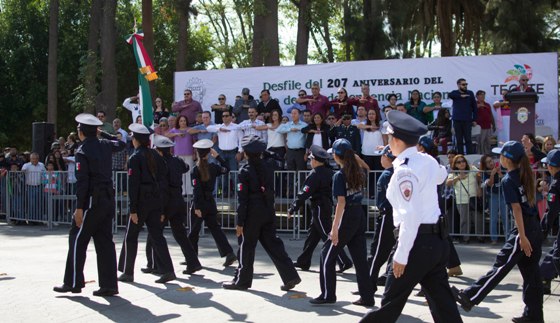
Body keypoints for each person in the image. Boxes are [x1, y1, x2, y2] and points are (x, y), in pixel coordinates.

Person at [361, 110, 462, 322]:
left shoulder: (403, 172)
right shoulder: (426, 161)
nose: (387, 141)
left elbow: (410, 217)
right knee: (444, 306)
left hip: (416, 244)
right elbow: (441, 176)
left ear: (396, 140)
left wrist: (401, 255)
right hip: (437, 243)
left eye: (389, 137)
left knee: (389, 305)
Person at [452, 141, 543, 323]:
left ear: (506, 159)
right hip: (532, 227)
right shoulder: (524, 175)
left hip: (523, 231)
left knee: (501, 266)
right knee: (532, 275)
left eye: (500, 155)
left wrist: (522, 237)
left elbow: (517, 209)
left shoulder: (509, 179)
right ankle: (534, 315)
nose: (498, 158)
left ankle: (470, 296)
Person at [53, 113, 126, 297]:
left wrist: (78, 208)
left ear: (81, 132)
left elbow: (82, 182)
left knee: (77, 239)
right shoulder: (104, 144)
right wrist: (105, 134)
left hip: (91, 201)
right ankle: (109, 285)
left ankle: (73, 282)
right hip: (107, 199)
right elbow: (123, 144)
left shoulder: (82, 150)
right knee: (104, 242)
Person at [223, 135, 301, 291]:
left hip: (252, 212)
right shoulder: (268, 166)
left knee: (246, 247)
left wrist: (240, 221)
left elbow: (243, 199)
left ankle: (242, 281)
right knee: (273, 244)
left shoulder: (245, 170)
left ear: (245, 153)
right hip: (267, 209)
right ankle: (290, 275)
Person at [309, 138, 373, 306]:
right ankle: (367, 297)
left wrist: (335, 228)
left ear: (337, 157)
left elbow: (341, 203)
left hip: (347, 216)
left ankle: (328, 294)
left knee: (326, 255)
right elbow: (367, 167)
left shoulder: (340, 175)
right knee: (360, 260)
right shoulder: (358, 170)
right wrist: (355, 157)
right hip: (359, 214)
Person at [118, 123, 176, 284]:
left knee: (131, 237)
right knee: (157, 236)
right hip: (156, 199)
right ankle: (168, 270)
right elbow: (164, 174)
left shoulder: (135, 157)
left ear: (135, 140)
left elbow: (133, 185)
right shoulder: (155, 155)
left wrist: (133, 208)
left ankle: (128, 272)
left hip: (142, 201)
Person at [142, 135, 202, 275]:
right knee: (180, 234)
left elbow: (162, 188)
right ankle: (193, 262)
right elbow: (185, 167)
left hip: (166, 201)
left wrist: (162, 210)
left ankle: (153, 264)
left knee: (154, 234)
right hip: (178, 200)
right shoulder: (176, 160)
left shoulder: (160, 164)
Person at [289, 145, 353, 272]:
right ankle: (304, 261)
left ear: (316, 160)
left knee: (328, 236)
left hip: (319, 207)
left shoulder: (315, 174)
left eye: (311, 159)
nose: (310, 162)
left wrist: (293, 207)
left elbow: (304, 192)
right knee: (312, 237)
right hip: (325, 205)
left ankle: (344, 261)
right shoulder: (329, 172)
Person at [189, 139, 237, 267]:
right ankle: (229, 253)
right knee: (216, 230)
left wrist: (197, 207)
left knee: (193, 232)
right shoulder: (214, 167)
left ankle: (192, 258)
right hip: (210, 202)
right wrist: (218, 157)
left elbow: (197, 189)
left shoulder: (195, 170)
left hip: (200, 203)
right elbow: (226, 168)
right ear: (209, 153)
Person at [366, 145, 397, 300]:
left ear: (387, 157)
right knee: (394, 252)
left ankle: (367, 287)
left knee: (376, 253)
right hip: (397, 216)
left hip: (387, 215)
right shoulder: (398, 172)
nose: (380, 159)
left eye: (382, 156)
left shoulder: (387, 175)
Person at [446, 154, 482, 243]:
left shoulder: (472, 168)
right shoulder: (453, 173)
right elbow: (448, 183)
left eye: (463, 161)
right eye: (459, 162)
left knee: (477, 218)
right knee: (464, 220)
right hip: (461, 199)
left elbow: (479, 175)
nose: (462, 163)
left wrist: (479, 186)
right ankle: (466, 238)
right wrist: (458, 177)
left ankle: (480, 237)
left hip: (473, 197)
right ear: (456, 164)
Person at [539, 148, 560, 295]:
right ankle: (544, 277)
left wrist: (542, 233)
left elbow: (551, 212)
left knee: (557, 255)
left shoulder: (556, 184)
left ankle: (544, 277)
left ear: (551, 167)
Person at [479, 154, 509, 244]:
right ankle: (494, 238)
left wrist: (499, 173)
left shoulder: (502, 168)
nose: (491, 163)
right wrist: (492, 174)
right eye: (488, 162)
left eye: (491, 160)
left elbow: (506, 181)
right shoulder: (485, 173)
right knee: (493, 218)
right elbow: (490, 184)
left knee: (505, 217)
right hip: (493, 196)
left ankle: (508, 237)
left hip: (503, 195)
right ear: (485, 165)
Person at [167, 115, 195, 195]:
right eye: (181, 121)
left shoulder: (189, 130)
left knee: (189, 172)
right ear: (178, 122)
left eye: (184, 121)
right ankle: (182, 190)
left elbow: (194, 141)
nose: (183, 122)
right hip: (178, 154)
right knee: (180, 172)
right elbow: (167, 135)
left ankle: (189, 190)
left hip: (189, 153)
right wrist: (177, 134)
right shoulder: (174, 130)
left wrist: (194, 152)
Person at [449, 78, 477, 155]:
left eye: (466, 84)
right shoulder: (455, 93)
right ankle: (460, 156)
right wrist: (461, 96)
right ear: (458, 85)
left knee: (468, 139)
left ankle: (470, 156)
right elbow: (450, 95)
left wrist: (474, 119)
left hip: (467, 120)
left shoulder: (470, 93)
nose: (465, 86)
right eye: (463, 84)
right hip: (457, 120)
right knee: (459, 140)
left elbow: (474, 107)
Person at [475, 90, 495, 155]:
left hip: (488, 126)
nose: (483, 96)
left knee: (488, 142)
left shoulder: (487, 105)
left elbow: (491, 115)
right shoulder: (474, 104)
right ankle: (480, 156)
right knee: (480, 142)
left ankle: (487, 155)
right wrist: (477, 106)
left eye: (484, 95)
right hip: (479, 127)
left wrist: (493, 124)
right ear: (477, 96)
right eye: (481, 94)